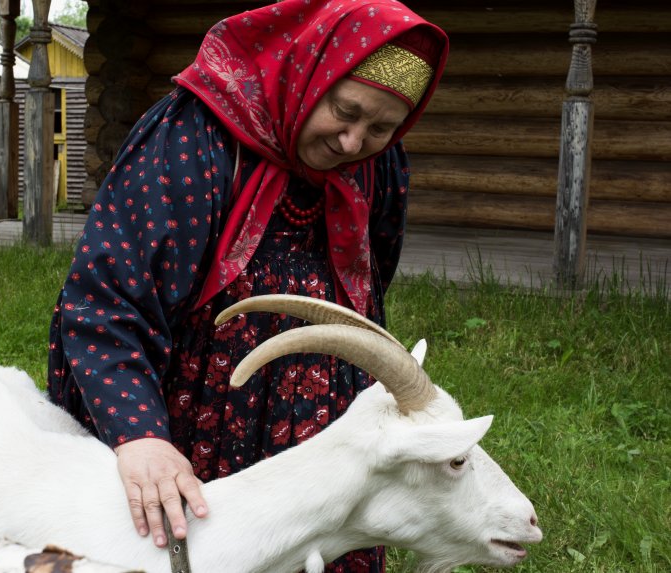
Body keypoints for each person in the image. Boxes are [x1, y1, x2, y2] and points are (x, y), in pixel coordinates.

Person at [47, 1, 448, 570]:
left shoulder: (379, 165)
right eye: (345, 111)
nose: (354, 143)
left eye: (382, 128)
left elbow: (373, 277)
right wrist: (140, 438)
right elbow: (105, 301)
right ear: (312, 74)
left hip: (323, 423)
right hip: (197, 426)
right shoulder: (194, 138)